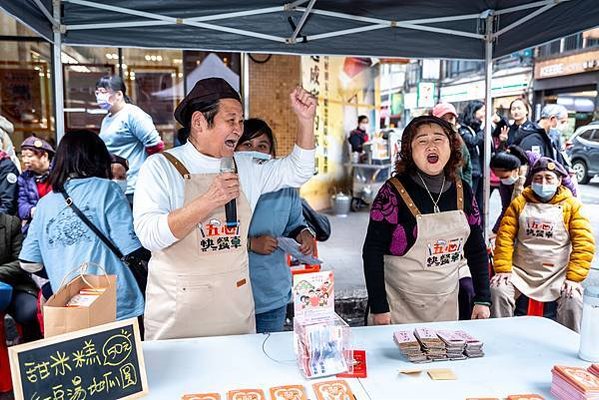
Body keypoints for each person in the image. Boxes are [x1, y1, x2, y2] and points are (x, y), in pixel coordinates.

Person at [133, 78, 316, 340]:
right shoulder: (161, 167)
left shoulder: (247, 166)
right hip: (178, 313)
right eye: (231, 120)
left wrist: (305, 121)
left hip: (234, 309)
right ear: (199, 122)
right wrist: (209, 200)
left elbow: (299, 170)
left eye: (241, 121)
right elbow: (150, 235)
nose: (238, 129)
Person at [362, 115, 491, 325]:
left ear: (451, 147)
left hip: (446, 305)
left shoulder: (463, 191)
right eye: (422, 141)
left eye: (438, 139)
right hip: (398, 307)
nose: (431, 145)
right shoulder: (392, 192)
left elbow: (476, 248)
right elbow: (372, 252)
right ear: (409, 151)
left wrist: (483, 299)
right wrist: (379, 307)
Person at [19, 130, 145, 321]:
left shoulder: (44, 204)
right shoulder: (107, 189)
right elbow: (130, 247)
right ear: (98, 157)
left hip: (69, 305)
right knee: (119, 349)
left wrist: (62, 269)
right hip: (116, 303)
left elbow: (28, 262)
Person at [491, 157, 594, 332]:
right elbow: (504, 237)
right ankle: (500, 336)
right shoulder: (519, 203)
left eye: (549, 178)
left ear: (559, 180)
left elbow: (584, 244)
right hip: (521, 272)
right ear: (532, 181)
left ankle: (569, 345)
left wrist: (574, 278)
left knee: (573, 299)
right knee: (498, 290)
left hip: (557, 275)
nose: (543, 183)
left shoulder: (572, 206)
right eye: (538, 179)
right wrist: (503, 269)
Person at [235, 118, 316, 333]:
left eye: (262, 146)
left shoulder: (285, 185)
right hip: (233, 296)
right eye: (247, 145)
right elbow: (209, 235)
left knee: (268, 357)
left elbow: (295, 223)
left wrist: (304, 234)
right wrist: (251, 243)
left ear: (271, 153)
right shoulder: (227, 183)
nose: (255, 151)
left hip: (272, 294)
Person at [432, 102, 475, 320]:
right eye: (444, 117)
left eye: (451, 118)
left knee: (467, 289)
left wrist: (464, 194)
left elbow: (467, 169)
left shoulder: (459, 140)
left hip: (455, 199)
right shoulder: (427, 139)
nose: (449, 122)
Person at [96, 75, 164, 203]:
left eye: (103, 92)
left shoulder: (133, 115)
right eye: (97, 92)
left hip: (134, 187)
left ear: (119, 94)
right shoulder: (107, 119)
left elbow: (156, 146)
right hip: (115, 184)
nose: (99, 96)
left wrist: (152, 178)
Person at [491, 145, 577, 234]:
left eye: (504, 177)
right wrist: (496, 231)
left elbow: (571, 191)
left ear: (517, 169)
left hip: (554, 220)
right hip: (529, 227)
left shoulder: (543, 166)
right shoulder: (505, 182)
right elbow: (507, 209)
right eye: (499, 177)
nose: (502, 180)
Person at [0, 213, 42, 342]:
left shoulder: (10, 222)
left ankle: (32, 352)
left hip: (15, 285)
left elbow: (21, 261)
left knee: (30, 312)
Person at [17, 136, 54, 234]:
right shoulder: (23, 178)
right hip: (36, 225)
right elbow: (22, 206)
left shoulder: (59, 174)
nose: (25, 160)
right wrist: (34, 211)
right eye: (23, 156)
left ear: (45, 156)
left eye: (29, 156)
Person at [458, 100, 485, 211]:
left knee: (480, 204)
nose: (485, 113)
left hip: (480, 171)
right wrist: (484, 128)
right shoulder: (463, 129)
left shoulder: (477, 128)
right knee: (470, 203)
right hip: (472, 171)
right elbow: (473, 141)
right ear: (474, 112)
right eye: (482, 110)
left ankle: (478, 226)